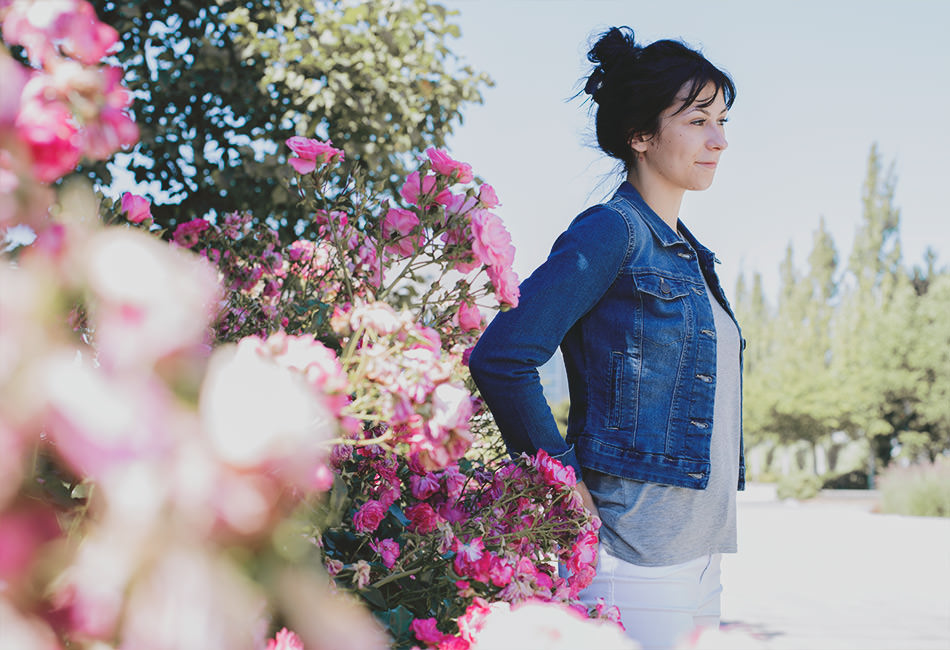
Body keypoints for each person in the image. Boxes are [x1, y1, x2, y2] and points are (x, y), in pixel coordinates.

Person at [467, 26, 743, 650]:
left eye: (722, 121)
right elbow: (502, 355)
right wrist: (564, 489)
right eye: (699, 120)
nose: (719, 140)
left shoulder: (691, 257)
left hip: (698, 563)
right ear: (640, 135)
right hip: (633, 560)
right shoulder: (611, 232)